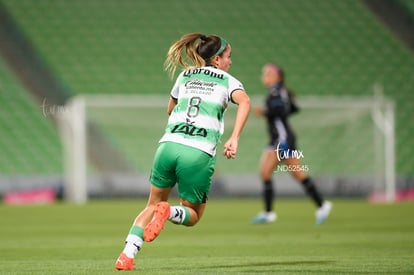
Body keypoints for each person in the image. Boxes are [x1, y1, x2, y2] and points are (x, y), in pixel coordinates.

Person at [115, 33, 250, 271]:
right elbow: (246, 102)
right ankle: (168, 213)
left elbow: (171, 109)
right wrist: (234, 138)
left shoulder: (185, 75)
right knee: (193, 215)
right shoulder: (228, 81)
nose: (230, 62)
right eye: (228, 57)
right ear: (217, 60)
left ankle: (126, 255)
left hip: (168, 145)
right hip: (197, 152)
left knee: (151, 204)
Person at [251, 63, 332, 225]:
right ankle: (321, 205)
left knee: (269, 172)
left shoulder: (276, 92)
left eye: (268, 74)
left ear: (277, 77)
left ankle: (270, 213)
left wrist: (265, 112)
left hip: (282, 139)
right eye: (264, 74)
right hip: (279, 138)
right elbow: (293, 108)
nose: (264, 76)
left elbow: (281, 110)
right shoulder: (279, 91)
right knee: (294, 173)